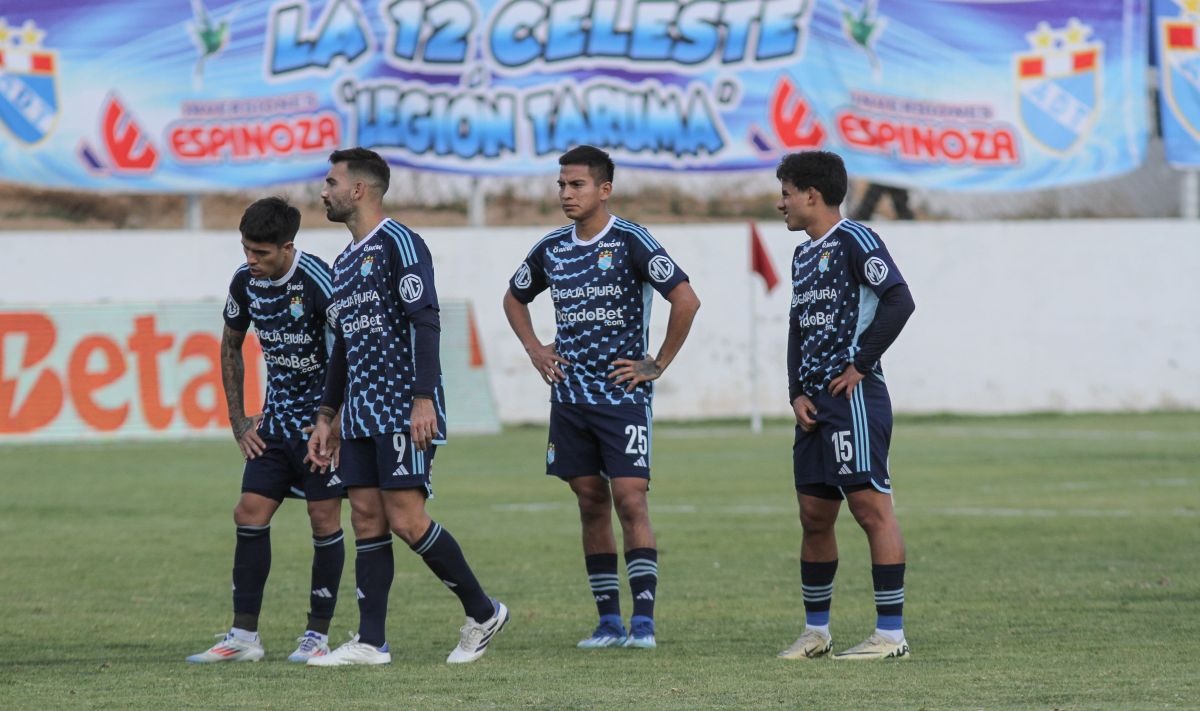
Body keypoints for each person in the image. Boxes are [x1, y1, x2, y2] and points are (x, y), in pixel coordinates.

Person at [305, 147, 508, 666]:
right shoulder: (344, 261)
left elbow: (426, 322)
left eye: (330, 182)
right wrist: (327, 415)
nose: (322, 191)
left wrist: (423, 399)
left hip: (401, 406)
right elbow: (344, 346)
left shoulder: (401, 243)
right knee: (367, 518)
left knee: (407, 519)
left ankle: (483, 612)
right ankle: (371, 642)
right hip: (360, 413)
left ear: (359, 190)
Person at [502, 145, 700, 650]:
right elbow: (514, 297)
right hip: (569, 398)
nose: (566, 194)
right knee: (590, 501)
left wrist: (656, 363)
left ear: (604, 189)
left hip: (621, 398)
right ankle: (609, 623)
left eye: (577, 185)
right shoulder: (551, 248)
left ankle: (644, 624)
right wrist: (534, 348)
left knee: (630, 498)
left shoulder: (632, 240)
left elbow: (686, 298)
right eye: (562, 185)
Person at [187, 197, 345, 664]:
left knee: (324, 519)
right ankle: (243, 637)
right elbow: (230, 346)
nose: (250, 261)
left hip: (321, 425)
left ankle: (317, 637)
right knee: (249, 511)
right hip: (274, 424)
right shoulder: (244, 282)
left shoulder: (318, 281)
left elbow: (347, 352)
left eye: (260, 253)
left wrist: (331, 422)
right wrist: (239, 421)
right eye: (245, 250)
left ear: (287, 247)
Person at [774, 151, 916, 661]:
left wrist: (859, 362)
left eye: (786, 193)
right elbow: (796, 326)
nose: (780, 203)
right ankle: (817, 632)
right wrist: (795, 390)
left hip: (853, 399)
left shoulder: (857, 240)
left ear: (812, 194)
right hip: (814, 404)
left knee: (870, 507)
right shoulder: (803, 255)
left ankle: (891, 636)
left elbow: (900, 300)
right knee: (814, 514)